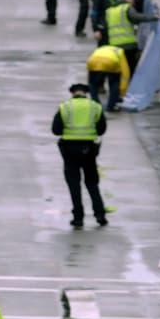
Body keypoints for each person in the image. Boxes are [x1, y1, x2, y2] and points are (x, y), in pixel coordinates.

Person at [53, 80, 108, 229]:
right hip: (89, 149)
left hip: (69, 150)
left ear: (72, 93)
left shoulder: (65, 107)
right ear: (86, 93)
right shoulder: (95, 107)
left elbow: (56, 130)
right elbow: (102, 129)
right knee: (91, 183)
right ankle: (100, 214)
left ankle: (78, 217)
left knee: (73, 184)